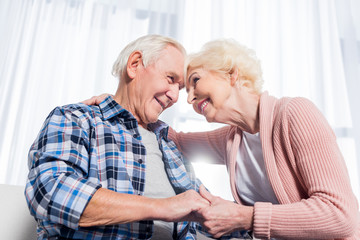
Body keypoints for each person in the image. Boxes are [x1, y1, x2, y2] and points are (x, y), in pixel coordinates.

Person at [25, 35, 239, 240]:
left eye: (179, 88)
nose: (175, 96)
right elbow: (50, 191)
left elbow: (213, 211)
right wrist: (163, 207)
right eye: (170, 78)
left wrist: (251, 219)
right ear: (135, 64)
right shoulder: (77, 119)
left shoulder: (169, 145)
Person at [165, 39, 360, 239]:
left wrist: (244, 216)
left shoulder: (295, 114)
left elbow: (340, 213)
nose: (189, 100)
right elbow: (175, 141)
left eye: (195, 80)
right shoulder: (232, 139)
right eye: (186, 92)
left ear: (232, 74)